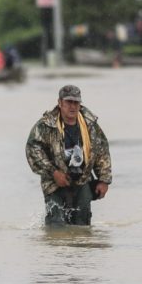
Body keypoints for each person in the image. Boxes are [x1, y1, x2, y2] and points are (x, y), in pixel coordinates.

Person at [26, 85, 112, 226]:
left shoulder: (90, 124)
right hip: (54, 182)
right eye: (68, 102)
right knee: (56, 225)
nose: (72, 106)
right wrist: (53, 172)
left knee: (82, 227)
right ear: (60, 103)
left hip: (82, 180)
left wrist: (104, 180)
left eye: (76, 102)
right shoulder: (46, 125)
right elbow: (33, 149)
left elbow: (102, 151)